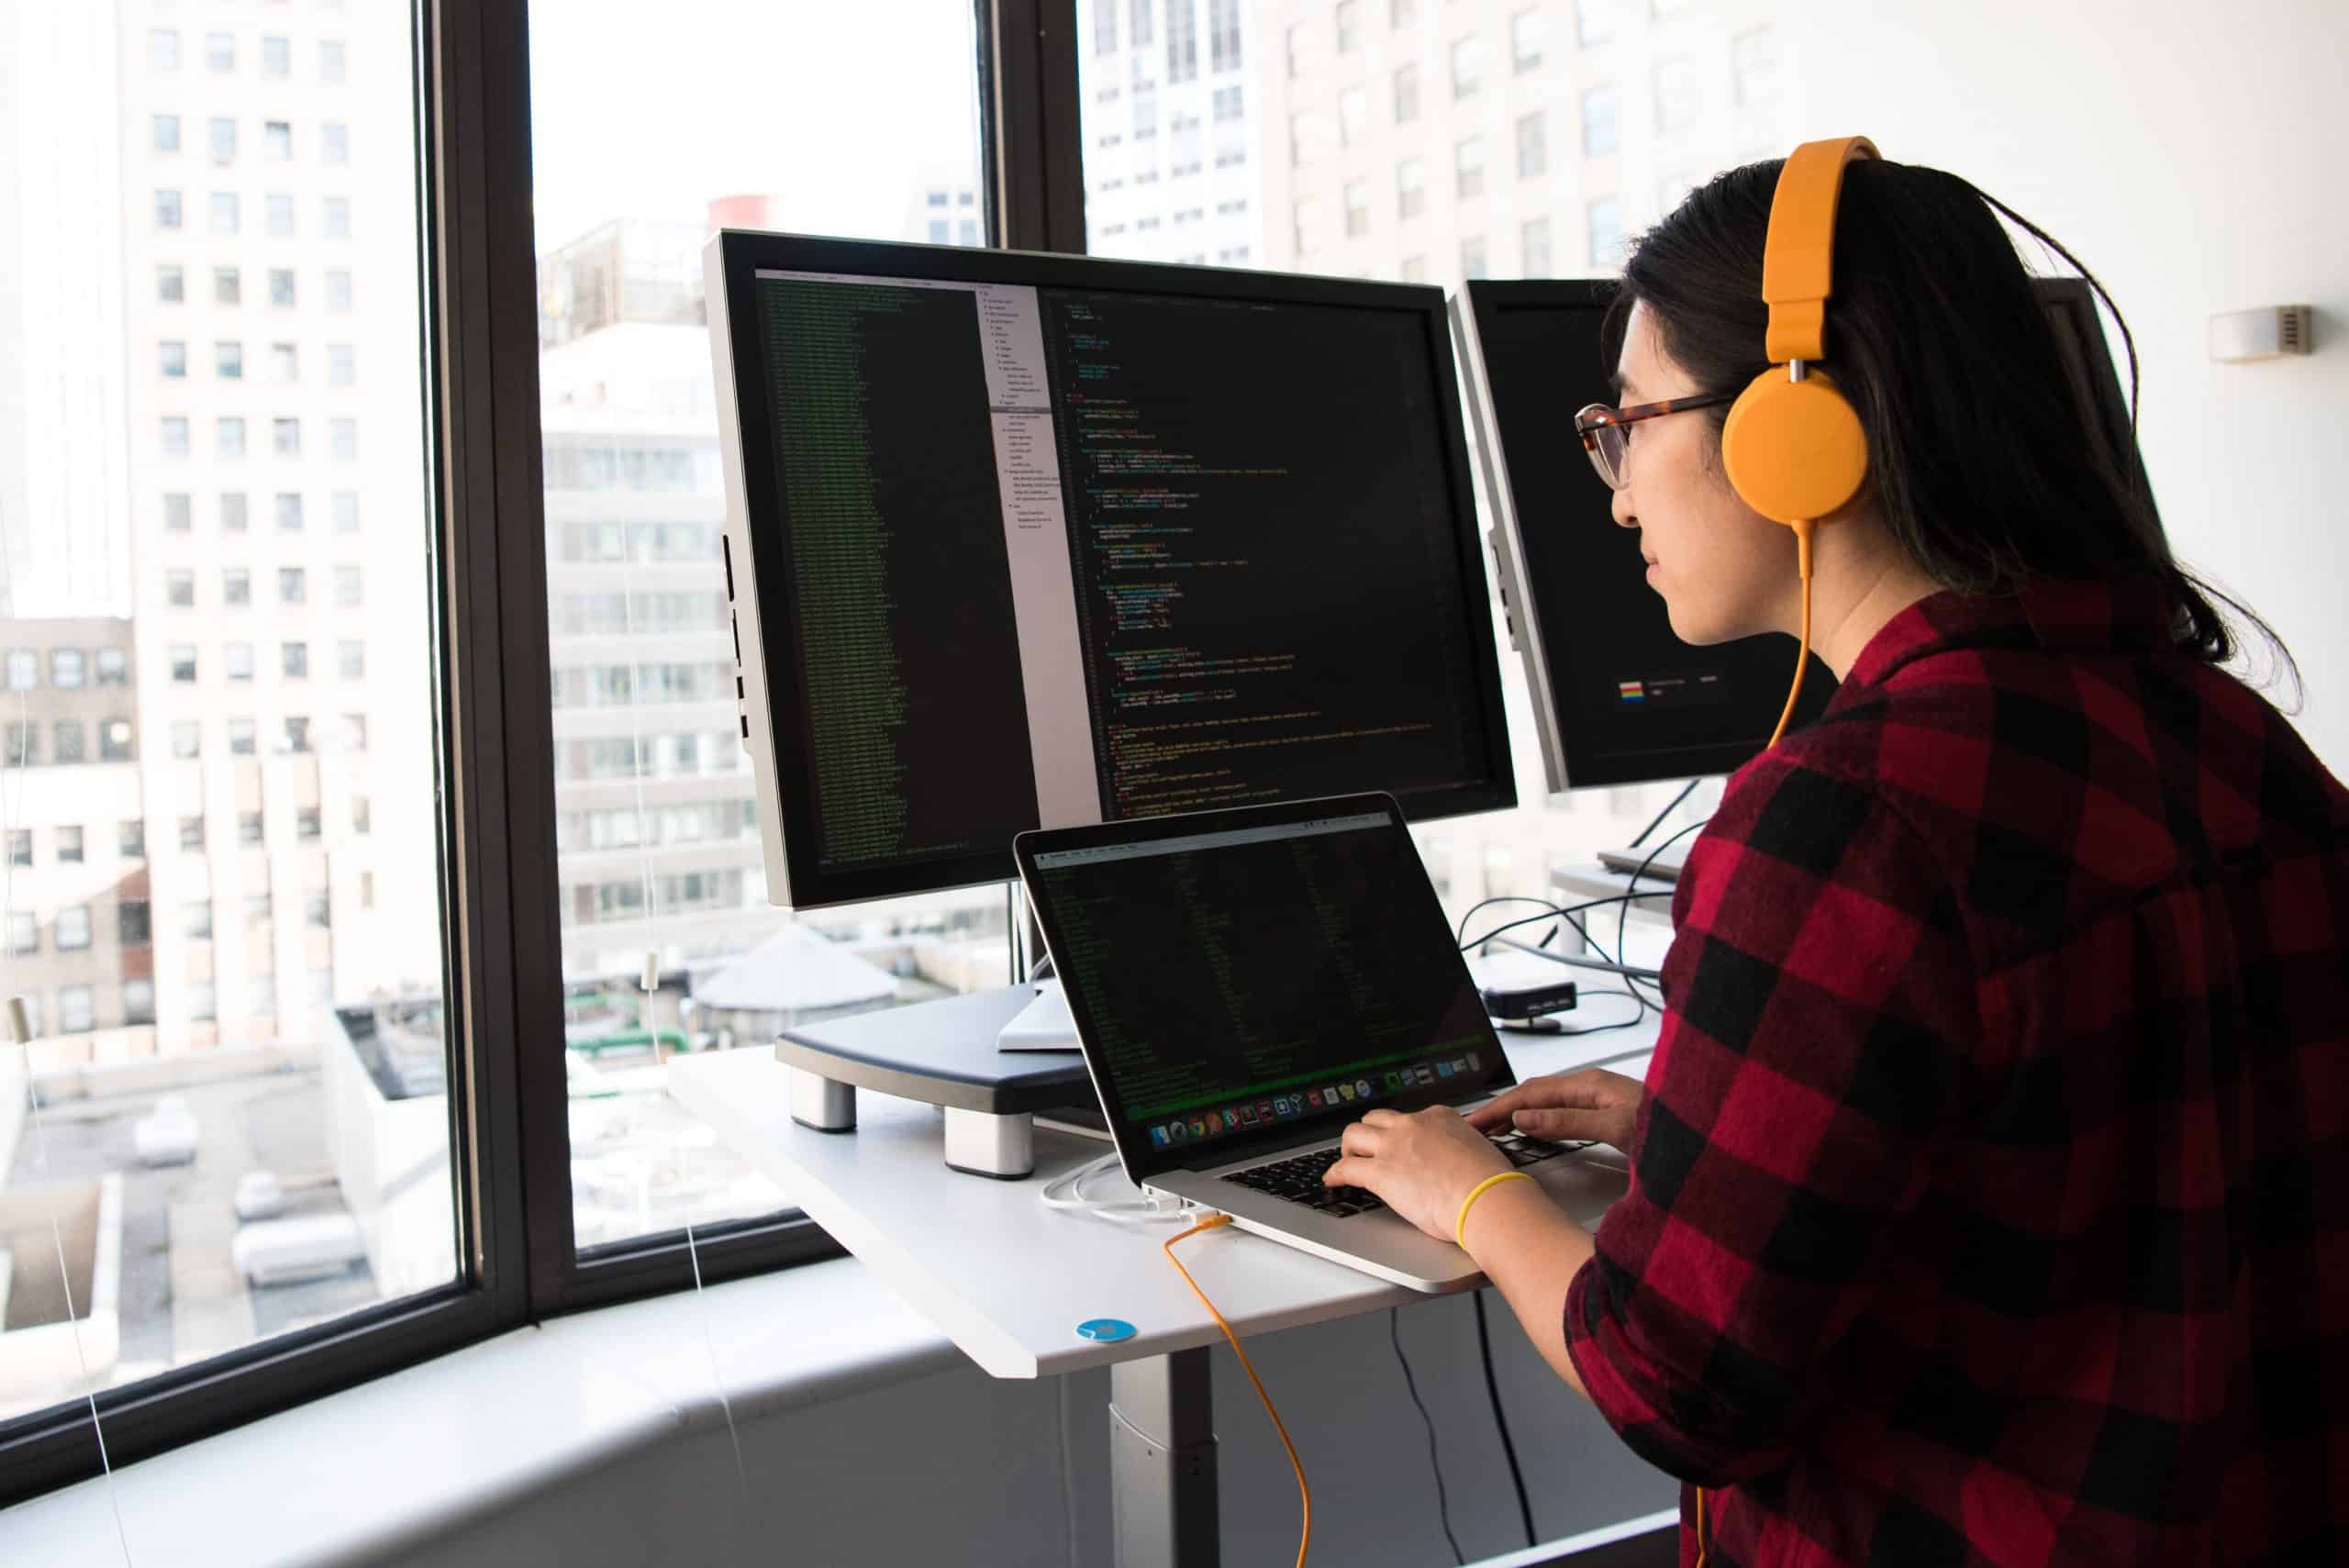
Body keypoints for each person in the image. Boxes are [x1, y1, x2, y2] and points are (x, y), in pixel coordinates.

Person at [1324, 149, 2349, 1564]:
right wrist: (1698, 1133)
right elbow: (2106, 1151)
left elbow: (1675, 1380)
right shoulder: (2239, 735)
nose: (1615, 495)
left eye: (1628, 425)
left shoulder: (1848, 819)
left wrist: (1470, 1190)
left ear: (1794, 435)